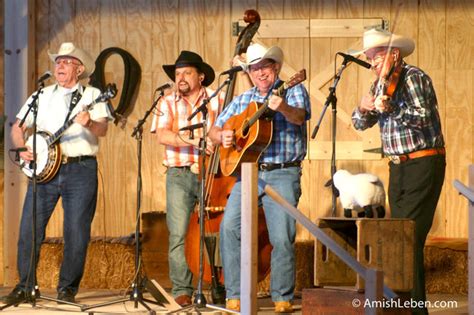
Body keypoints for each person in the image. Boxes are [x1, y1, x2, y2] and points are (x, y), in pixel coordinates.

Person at [2, 42, 111, 305]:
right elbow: (17, 128)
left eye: (66, 61)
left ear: (79, 68)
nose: (59, 65)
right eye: (58, 61)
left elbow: (103, 130)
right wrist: (22, 148)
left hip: (80, 169)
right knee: (30, 228)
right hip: (43, 170)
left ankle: (67, 289)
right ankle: (26, 285)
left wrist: (90, 122)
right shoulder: (41, 94)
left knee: (76, 231)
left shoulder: (93, 94)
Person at [208, 43, 311, 313]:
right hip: (248, 173)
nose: (260, 73)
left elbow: (300, 118)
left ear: (275, 67)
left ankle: (282, 298)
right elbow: (214, 130)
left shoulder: (293, 89)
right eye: (254, 68)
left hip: (283, 172)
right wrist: (223, 136)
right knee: (229, 228)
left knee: (281, 237)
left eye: (265, 66)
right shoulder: (243, 99)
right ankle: (235, 294)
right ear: (249, 73)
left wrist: (283, 108)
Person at [351, 28, 446, 315]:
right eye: (369, 58)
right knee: (401, 239)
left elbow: (424, 118)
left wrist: (391, 108)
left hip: (422, 163)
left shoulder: (414, 77)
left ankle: (413, 311)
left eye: (376, 56)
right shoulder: (378, 85)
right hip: (398, 168)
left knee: (409, 238)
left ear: (394, 54)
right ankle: (407, 308)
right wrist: (364, 107)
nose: (372, 63)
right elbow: (358, 123)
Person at [151, 50, 218, 307]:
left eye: (187, 72)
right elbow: (163, 135)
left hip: (211, 172)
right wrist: (192, 140)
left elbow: (228, 125)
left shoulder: (216, 98)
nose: (181, 77)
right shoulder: (166, 101)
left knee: (214, 231)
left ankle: (217, 285)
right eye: (177, 73)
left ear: (200, 76)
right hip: (178, 174)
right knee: (178, 233)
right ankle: (182, 289)